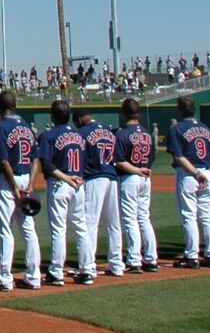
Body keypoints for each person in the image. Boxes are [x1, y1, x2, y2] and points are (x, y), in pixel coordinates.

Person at [0, 89, 41, 291]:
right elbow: (36, 159)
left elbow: (2, 160)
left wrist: (14, 187)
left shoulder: (1, 127)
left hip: (9, 181)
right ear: (15, 106)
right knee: (28, 229)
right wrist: (30, 185)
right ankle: (34, 276)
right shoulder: (27, 127)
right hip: (25, 177)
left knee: (5, 230)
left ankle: (4, 277)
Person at [37, 99, 87, 286]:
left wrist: (66, 178)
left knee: (59, 229)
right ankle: (86, 269)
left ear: (52, 115)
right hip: (78, 184)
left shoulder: (50, 136)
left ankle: (57, 272)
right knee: (81, 228)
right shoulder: (79, 135)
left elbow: (47, 164)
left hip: (60, 184)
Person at [165, 96, 210, 268]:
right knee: (207, 215)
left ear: (180, 110)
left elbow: (178, 157)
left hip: (189, 175)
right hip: (206, 172)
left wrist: (195, 173)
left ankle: (192, 256)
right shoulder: (205, 127)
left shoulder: (176, 128)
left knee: (189, 215)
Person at [74, 107, 122, 282]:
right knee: (114, 223)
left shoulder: (82, 132)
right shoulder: (108, 131)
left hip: (94, 178)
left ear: (79, 119)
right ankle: (116, 264)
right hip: (112, 177)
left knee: (90, 223)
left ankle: (89, 265)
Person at [113, 99, 159, 274]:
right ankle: (151, 257)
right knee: (144, 218)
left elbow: (119, 161)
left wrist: (136, 171)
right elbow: (152, 158)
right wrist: (142, 170)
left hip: (131, 178)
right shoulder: (147, 134)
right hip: (145, 178)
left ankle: (134, 259)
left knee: (131, 219)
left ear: (123, 113)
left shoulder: (122, 134)